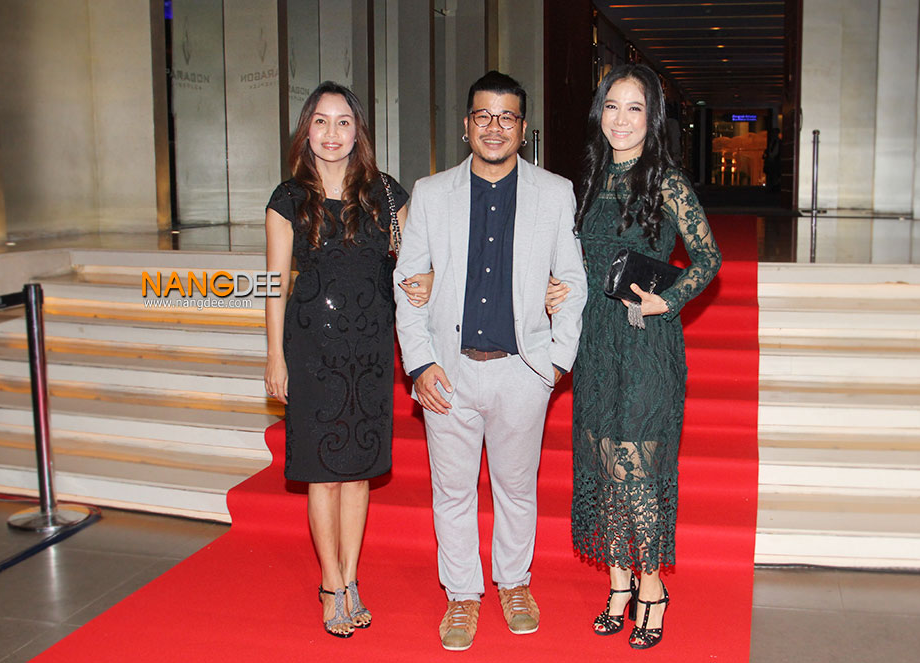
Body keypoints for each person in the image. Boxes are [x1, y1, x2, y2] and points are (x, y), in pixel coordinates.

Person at [393, 71, 587, 651]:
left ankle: (514, 583)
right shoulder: (430, 194)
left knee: (516, 489)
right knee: (452, 492)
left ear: (523, 129)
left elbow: (572, 281)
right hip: (447, 371)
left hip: (521, 371)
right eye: (484, 116)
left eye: (507, 117)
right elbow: (407, 283)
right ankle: (461, 593)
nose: (494, 127)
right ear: (466, 125)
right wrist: (419, 365)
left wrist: (556, 363)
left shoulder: (554, 192)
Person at [547, 63, 721, 649]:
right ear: (600, 112)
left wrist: (668, 300)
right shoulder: (588, 180)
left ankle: (652, 589)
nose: (621, 119)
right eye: (612, 106)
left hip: (645, 342)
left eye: (635, 108)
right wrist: (558, 288)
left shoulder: (666, 181)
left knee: (637, 468)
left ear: (653, 118)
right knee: (602, 461)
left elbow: (708, 258)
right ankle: (618, 584)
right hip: (596, 341)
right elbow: (577, 261)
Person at [263, 82, 432, 639]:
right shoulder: (288, 198)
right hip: (311, 349)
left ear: (358, 130)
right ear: (306, 130)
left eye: (343, 122)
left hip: (370, 350)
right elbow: (274, 285)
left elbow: (416, 262)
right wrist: (274, 356)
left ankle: (352, 577)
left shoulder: (385, 193)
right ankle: (330, 583)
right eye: (321, 121)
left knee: (358, 473)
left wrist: (427, 282)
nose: (332, 133)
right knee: (322, 475)